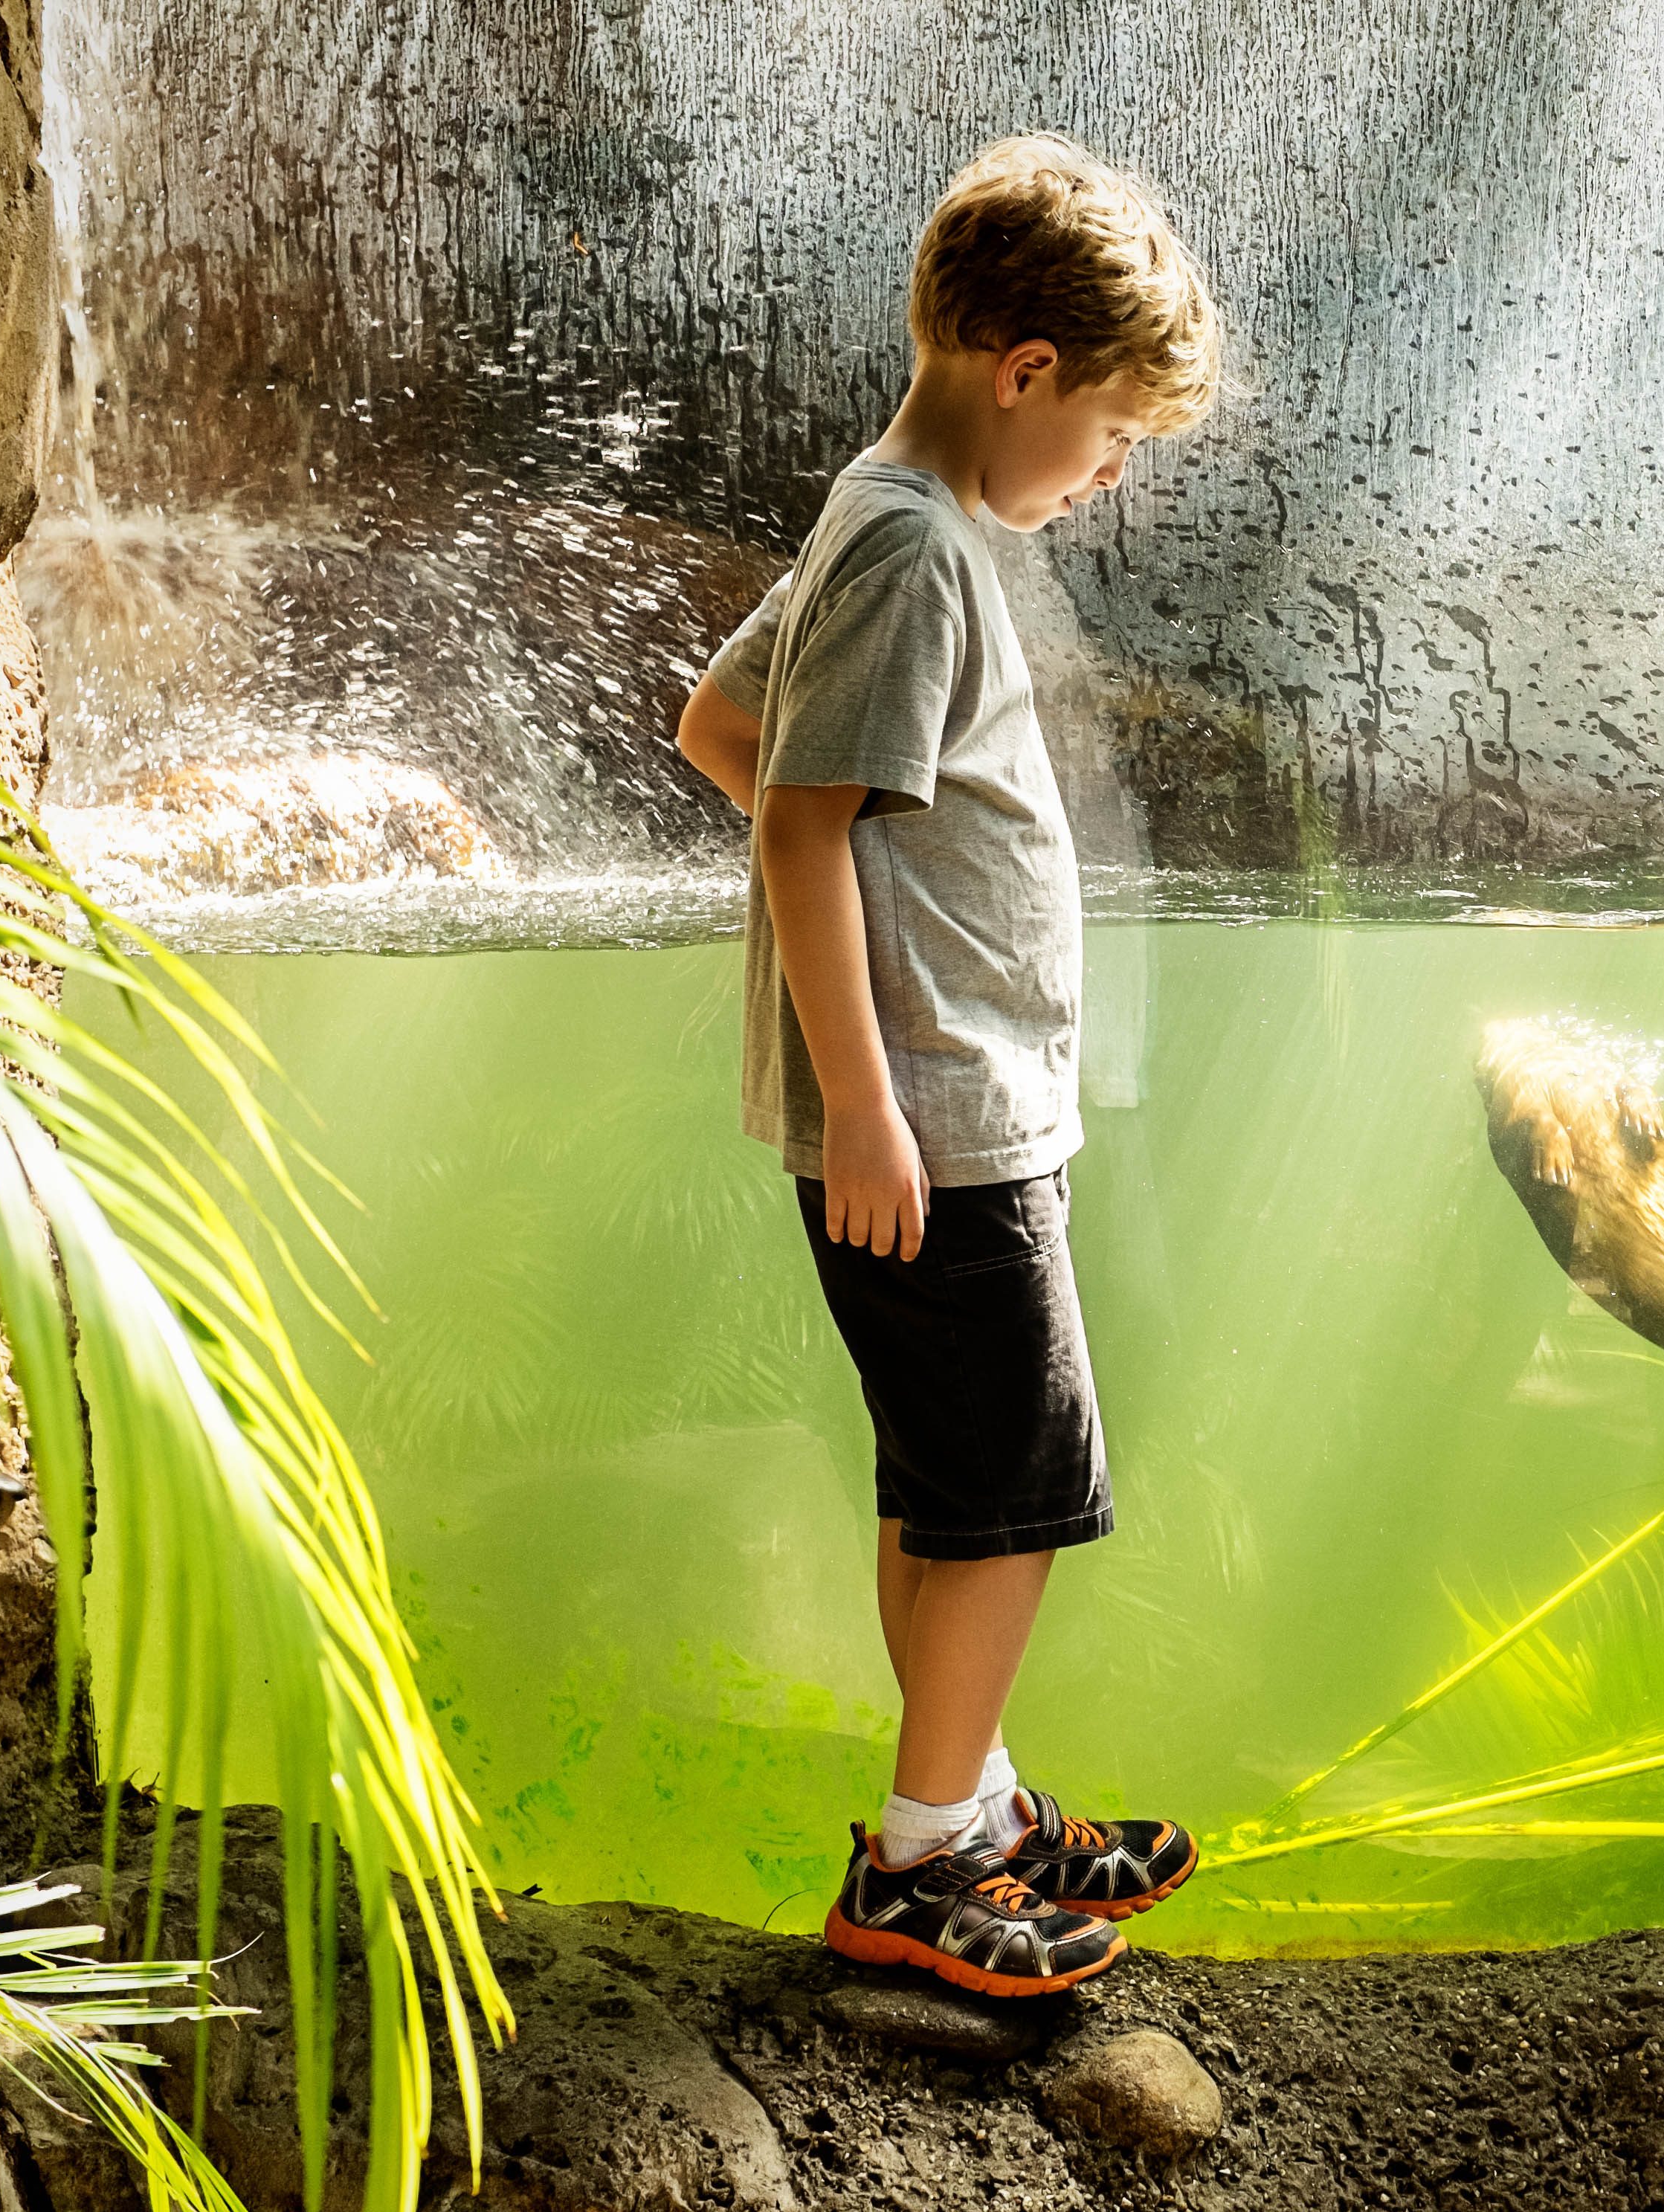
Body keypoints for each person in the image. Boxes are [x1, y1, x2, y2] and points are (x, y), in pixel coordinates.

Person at [671, 134, 1219, 1996]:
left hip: (935, 1113)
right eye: (1117, 428)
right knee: (1016, 1495)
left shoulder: (884, 514)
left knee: (948, 1483)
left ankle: (969, 1809)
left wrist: (871, 1046)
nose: (1116, 470)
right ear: (1028, 370)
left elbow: (719, 725)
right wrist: (878, 1102)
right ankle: (918, 1870)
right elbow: (802, 822)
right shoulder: (914, 548)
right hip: (942, 1130)